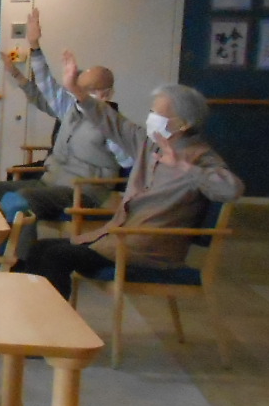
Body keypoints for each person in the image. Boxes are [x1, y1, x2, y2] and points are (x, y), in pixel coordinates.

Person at [14, 60, 243, 299]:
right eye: (152, 112)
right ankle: (37, 314)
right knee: (40, 249)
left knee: (55, 256)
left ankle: (54, 320)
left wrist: (185, 167)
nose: (151, 118)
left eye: (159, 114)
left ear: (184, 124)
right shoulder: (150, 144)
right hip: (119, 239)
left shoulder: (201, 157)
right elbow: (111, 121)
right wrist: (77, 91)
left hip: (147, 250)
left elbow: (232, 190)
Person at [0, 7, 132, 239]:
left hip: (83, 192)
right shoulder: (71, 109)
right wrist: (34, 45)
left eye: (87, 91)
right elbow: (45, 84)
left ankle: (19, 257)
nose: (78, 95)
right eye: (77, 89)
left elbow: (131, 164)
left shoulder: (114, 126)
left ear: (106, 94)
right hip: (50, 182)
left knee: (22, 199)